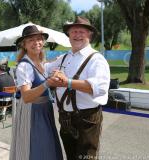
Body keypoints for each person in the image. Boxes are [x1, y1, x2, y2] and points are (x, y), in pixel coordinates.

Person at [45, 16, 110, 160]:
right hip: (65, 119)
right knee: (70, 156)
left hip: (86, 120)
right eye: (73, 32)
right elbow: (44, 70)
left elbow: (99, 88)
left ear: (89, 35)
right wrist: (28, 57)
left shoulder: (97, 59)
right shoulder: (64, 57)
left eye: (82, 32)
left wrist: (67, 82)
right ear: (69, 35)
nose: (77, 35)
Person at [9, 25, 63, 160]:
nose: (36, 42)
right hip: (33, 112)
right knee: (36, 148)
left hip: (45, 110)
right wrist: (47, 83)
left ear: (43, 42)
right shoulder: (24, 66)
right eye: (31, 40)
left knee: (48, 147)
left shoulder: (41, 63)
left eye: (39, 39)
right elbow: (26, 97)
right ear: (24, 45)